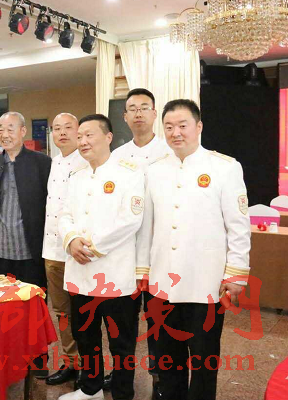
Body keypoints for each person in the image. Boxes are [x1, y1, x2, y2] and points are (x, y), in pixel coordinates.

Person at [136, 100, 251, 400]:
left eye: (182, 125)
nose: (176, 133)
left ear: (198, 127)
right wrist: (142, 270)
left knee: (203, 362)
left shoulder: (224, 167)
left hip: (205, 285)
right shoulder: (155, 171)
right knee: (167, 359)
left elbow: (238, 226)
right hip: (162, 284)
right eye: (169, 127)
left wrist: (236, 274)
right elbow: (147, 226)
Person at [58, 114, 144, 400]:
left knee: (121, 342)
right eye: (80, 136)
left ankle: (122, 393)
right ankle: (90, 388)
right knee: (86, 336)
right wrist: (71, 240)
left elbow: (131, 220)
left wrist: (91, 248)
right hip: (80, 274)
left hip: (115, 274)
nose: (83, 141)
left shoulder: (129, 174)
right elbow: (64, 215)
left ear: (108, 137)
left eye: (89, 135)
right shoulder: (76, 177)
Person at [107, 88, 172, 396]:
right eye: (132, 108)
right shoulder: (117, 157)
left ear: (154, 113)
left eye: (144, 107)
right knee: (122, 322)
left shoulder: (169, 153)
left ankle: (160, 380)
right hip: (126, 251)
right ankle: (122, 379)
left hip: (161, 251)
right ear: (124, 117)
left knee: (159, 322)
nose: (138, 113)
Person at [39, 113, 87, 386]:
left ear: (78, 130)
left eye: (68, 127)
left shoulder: (87, 160)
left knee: (83, 312)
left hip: (78, 251)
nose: (62, 133)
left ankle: (89, 366)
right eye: (57, 129)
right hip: (53, 249)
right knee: (62, 311)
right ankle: (71, 362)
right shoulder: (53, 162)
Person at [0, 112, 51, 289]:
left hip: (30, 251)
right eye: (1, 130)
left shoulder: (43, 163)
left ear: (23, 131)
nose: (4, 134)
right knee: (1, 299)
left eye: (10, 129)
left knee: (32, 298)